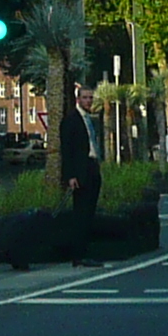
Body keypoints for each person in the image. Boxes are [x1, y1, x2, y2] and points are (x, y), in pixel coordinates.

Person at [58, 85, 103, 266]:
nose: (88, 101)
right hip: (80, 172)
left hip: (91, 168)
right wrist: (70, 176)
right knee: (81, 214)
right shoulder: (71, 120)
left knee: (89, 213)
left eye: (91, 98)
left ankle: (85, 252)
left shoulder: (89, 120)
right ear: (78, 99)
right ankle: (79, 255)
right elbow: (67, 150)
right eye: (85, 98)